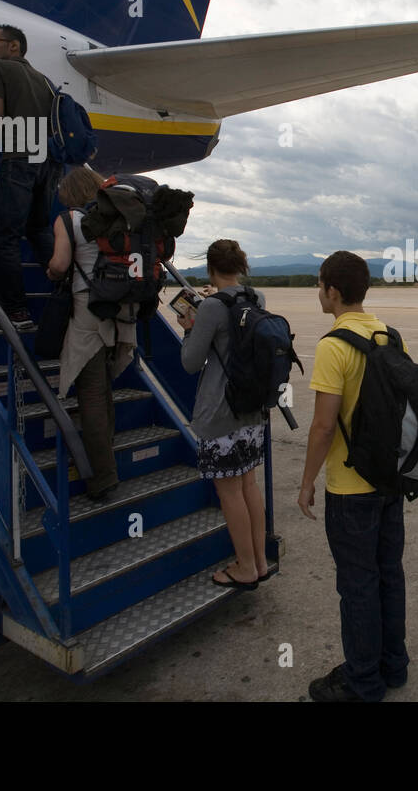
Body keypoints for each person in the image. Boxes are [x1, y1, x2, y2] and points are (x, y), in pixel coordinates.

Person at [299, 250, 410, 702]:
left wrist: (306, 482)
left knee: (357, 586)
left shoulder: (333, 345)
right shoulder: (390, 335)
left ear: (334, 292)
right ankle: (394, 666)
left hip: (349, 490)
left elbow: (324, 425)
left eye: (320, 285)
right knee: (389, 575)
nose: (318, 292)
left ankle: (362, 681)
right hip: (389, 482)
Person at [178, 240, 271, 591]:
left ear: (211, 269)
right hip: (251, 408)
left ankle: (245, 567)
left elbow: (190, 363)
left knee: (229, 492)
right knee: (248, 485)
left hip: (220, 410)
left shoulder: (212, 308)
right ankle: (259, 561)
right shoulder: (257, 298)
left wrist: (190, 325)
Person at [45, 166, 134, 501]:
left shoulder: (69, 220)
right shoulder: (114, 217)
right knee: (104, 388)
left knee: (92, 395)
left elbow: (60, 265)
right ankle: (106, 456)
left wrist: (51, 272)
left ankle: (103, 479)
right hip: (119, 312)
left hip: (88, 312)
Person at [0, 24, 60, 328]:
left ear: (14, 47)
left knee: (4, 237)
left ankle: (15, 311)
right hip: (47, 162)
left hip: (20, 157)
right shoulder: (44, 79)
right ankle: (69, 296)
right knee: (38, 229)